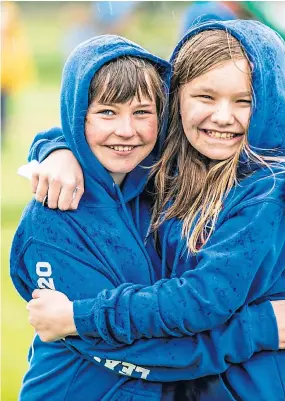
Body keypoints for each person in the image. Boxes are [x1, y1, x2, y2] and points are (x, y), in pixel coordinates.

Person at [11, 32, 282, 401]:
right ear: (178, 101)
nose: (222, 116)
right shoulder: (158, 175)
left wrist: (78, 318)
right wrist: (58, 147)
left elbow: (200, 300)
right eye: (205, 97)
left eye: (244, 101)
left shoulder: (266, 192)